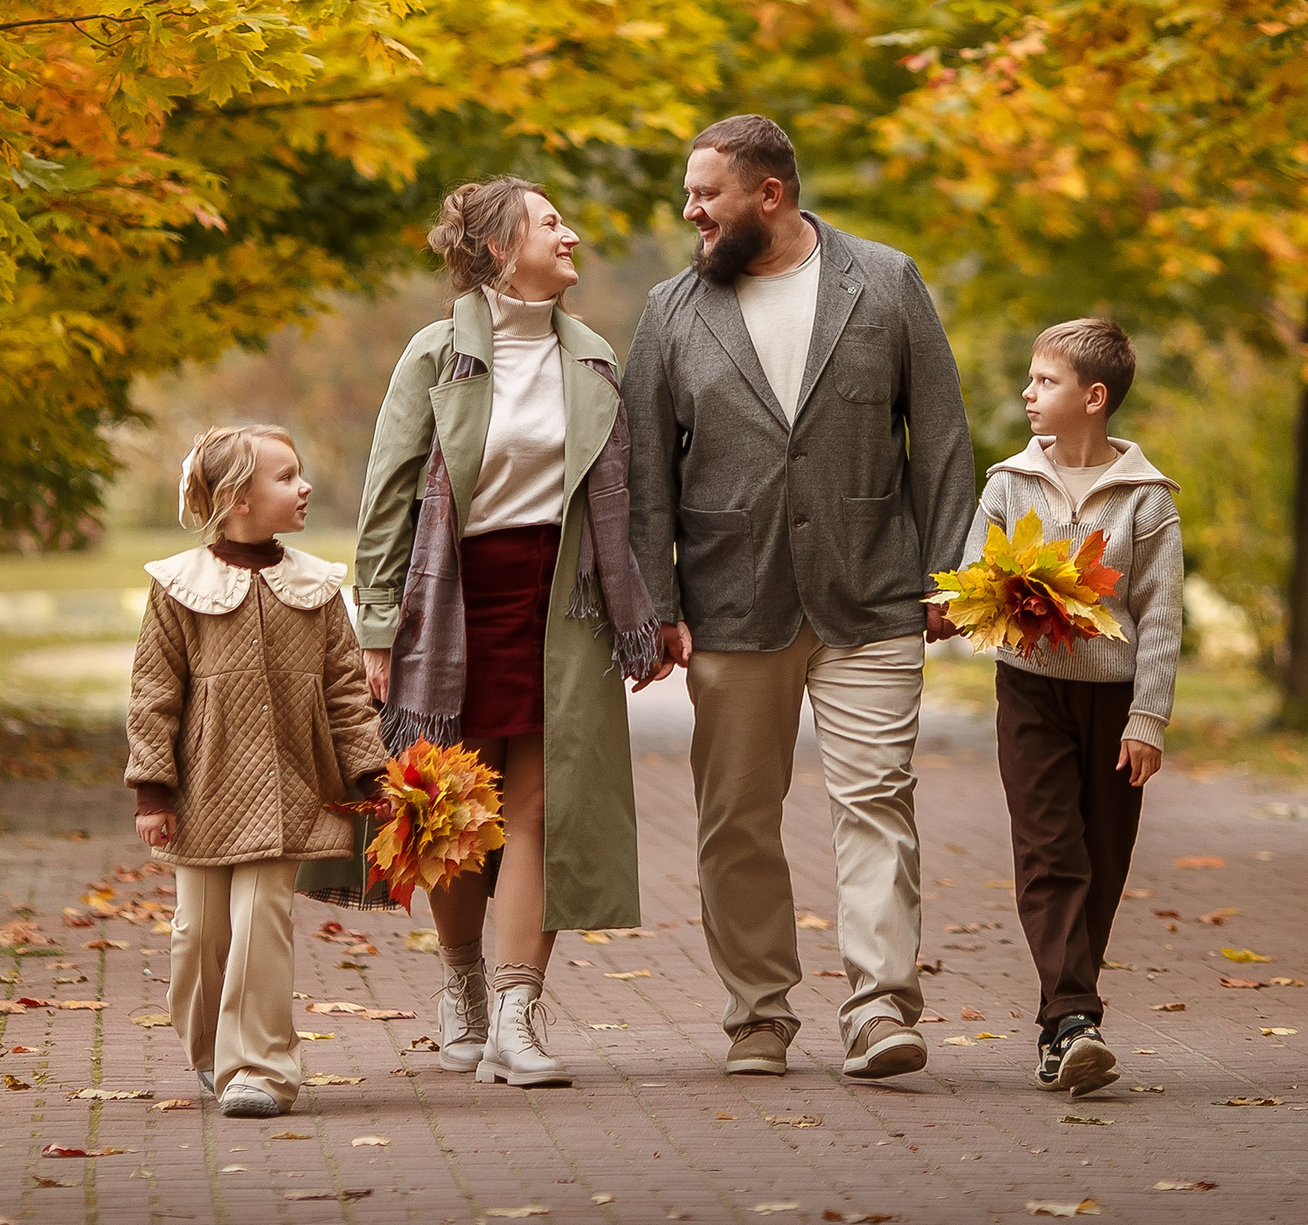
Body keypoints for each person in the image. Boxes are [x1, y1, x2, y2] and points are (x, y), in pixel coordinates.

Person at [624, 114, 975, 1080]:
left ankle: (879, 1006)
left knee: (876, 801)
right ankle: (758, 1014)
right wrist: (659, 601)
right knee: (736, 816)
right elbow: (646, 467)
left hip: (873, 589)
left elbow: (940, 434)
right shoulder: (670, 309)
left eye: (706, 193)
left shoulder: (887, 280)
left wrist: (952, 573)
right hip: (732, 600)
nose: (690, 209)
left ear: (767, 195)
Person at [301, 177, 668, 1090]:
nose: (572, 234)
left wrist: (651, 611)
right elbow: (388, 497)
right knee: (449, 808)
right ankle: (461, 980)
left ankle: (517, 1011)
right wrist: (377, 629)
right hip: (453, 600)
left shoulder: (592, 356)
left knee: (544, 805)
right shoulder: (436, 355)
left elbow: (628, 501)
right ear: (503, 248)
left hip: (565, 602)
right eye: (552, 224)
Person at [126, 424, 389, 1119]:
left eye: (301, 474)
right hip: (203, 788)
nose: (304, 487)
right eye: (286, 477)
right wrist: (152, 790)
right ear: (238, 498)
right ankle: (215, 1052)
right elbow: (154, 693)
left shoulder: (318, 585)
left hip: (292, 788)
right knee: (198, 935)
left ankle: (262, 1068)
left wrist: (372, 775)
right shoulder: (180, 587)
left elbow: (345, 692)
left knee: (261, 918)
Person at [965, 318, 1183, 1098]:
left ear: (1093, 398)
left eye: (1045, 381)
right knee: (1050, 849)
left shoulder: (1148, 502)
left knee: (1101, 862)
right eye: (1029, 379)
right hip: (1030, 688)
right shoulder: (1007, 484)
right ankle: (1074, 1017)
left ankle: (1063, 1028)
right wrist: (1008, 592)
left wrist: (1147, 719)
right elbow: (971, 576)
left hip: (1115, 698)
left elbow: (1160, 615)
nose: (1027, 392)